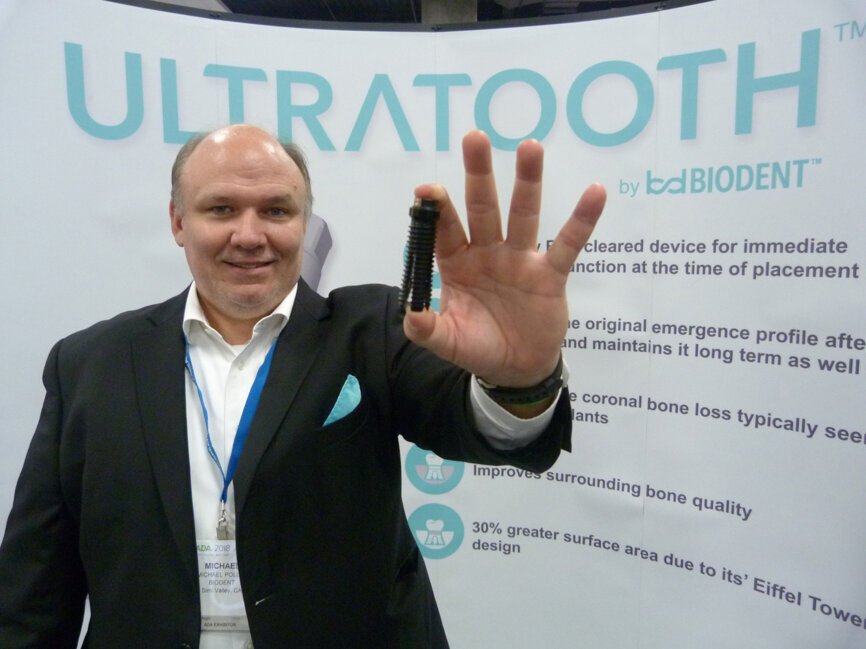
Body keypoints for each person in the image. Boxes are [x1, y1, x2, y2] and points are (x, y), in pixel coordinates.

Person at [0, 125, 606, 649]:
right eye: (220, 210)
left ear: (305, 222)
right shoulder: (89, 363)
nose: (249, 234)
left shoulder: (373, 329)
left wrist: (520, 378)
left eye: (276, 210)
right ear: (178, 222)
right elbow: (36, 578)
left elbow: (477, 425)